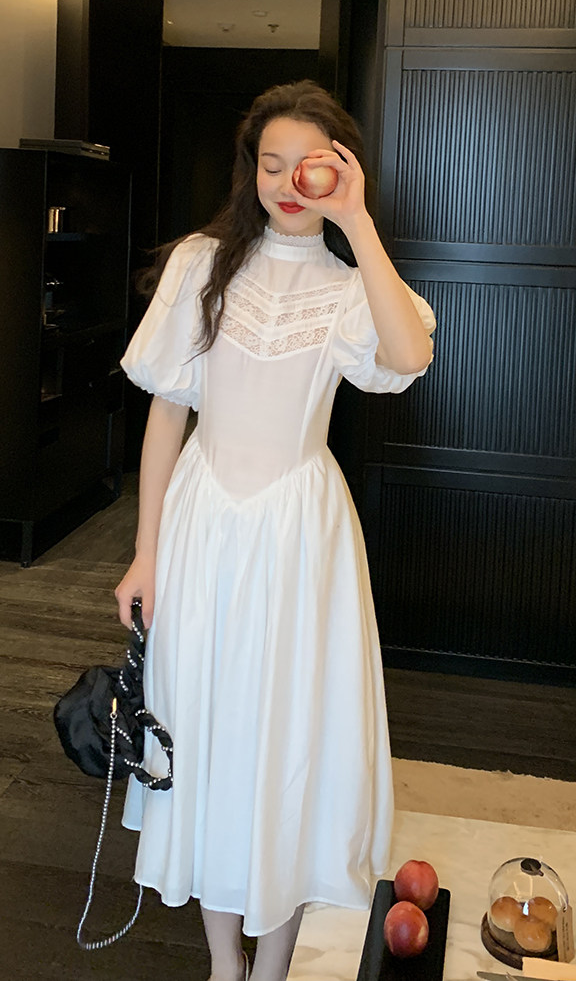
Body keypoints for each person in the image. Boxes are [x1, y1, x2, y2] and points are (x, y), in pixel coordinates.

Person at [113, 80, 436, 981]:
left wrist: (356, 222)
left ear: (342, 170)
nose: (290, 182)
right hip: (203, 527)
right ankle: (227, 963)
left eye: (311, 166)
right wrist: (145, 552)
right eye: (271, 163)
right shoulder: (198, 264)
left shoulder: (348, 285)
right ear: (247, 170)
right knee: (205, 735)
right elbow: (167, 413)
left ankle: (274, 965)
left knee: (291, 742)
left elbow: (408, 354)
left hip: (300, 538)